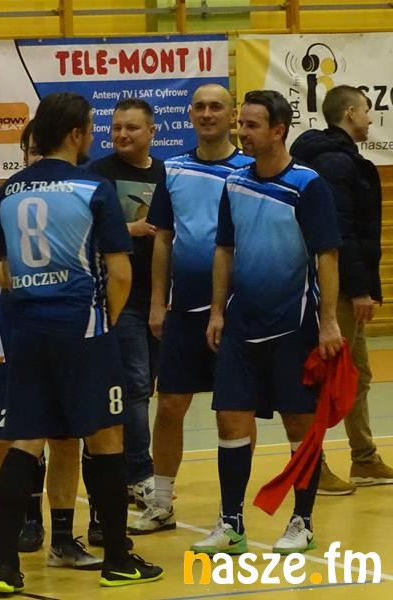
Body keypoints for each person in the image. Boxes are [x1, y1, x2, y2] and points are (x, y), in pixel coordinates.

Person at [0, 92, 164, 593]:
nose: (92, 136)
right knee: (106, 439)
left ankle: (6, 565)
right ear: (75, 134)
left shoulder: (8, 190)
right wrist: (104, 320)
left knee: (25, 440)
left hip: (26, 331)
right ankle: (117, 560)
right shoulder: (93, 187)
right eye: (89, 128)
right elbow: (120, 272)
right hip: (82, 331)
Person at [192, 90, 342, 556]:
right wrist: (217, 311)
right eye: (242, 124)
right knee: (230, 419)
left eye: (252, 125)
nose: (243, 133)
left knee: (299, 424)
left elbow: (327, 256)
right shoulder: (234, 183)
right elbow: (224, 249)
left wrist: (328, 322)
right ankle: (231, 522)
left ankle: (303, 521)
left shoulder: (307, 185)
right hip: (241, 325)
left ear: (278, 130)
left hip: (294, 326)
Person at [0, 121, 101, 584]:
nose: (36, 159)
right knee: (4, 440)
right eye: (29, 151)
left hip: (67, 332)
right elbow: (0, 271)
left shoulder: (77, 198)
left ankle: (63, 539)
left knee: (67, 439)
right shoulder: (9, 199)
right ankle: (1, 544)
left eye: (40, 150)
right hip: (17, 333)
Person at [130, 84, 254, 534]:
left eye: (216, 106)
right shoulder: (174, 169)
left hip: (237, 310)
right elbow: (163, 238)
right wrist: (157, 303)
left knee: (234, 412)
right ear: (189, 114)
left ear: (231, 115)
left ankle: (231, 511)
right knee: (169, 406)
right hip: (183, 310)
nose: (207, 113)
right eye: (199, 106)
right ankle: (161, 503)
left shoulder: (248, 171)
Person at [290, 85, 393, 494]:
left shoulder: (342, 158)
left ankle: (364, 458)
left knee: (359, 375)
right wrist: (360, 289)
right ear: (350, 113)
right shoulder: (335, 163)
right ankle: (312, 467)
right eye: (366, 111)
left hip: (351, 287)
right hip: (340, 291)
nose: (370, 118)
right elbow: (340, 233)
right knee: (325, 377)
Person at [84, 99, 163, 543]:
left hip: (159, 294)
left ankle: (138, 469)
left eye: (131, 128)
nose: (122, 135)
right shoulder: (97, 174)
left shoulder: (165, 174)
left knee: (148, 384)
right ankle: (139, 472)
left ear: (152, 132)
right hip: (120, 295)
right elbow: (83, 231)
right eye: (116, 128)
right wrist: (125, 230)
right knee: (134, 384)